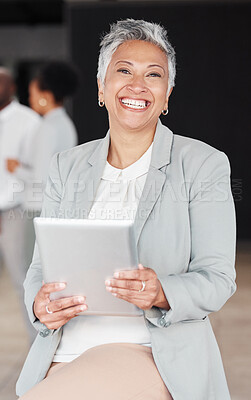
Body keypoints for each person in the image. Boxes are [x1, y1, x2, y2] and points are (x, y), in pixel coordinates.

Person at [16, 19, 236, 400]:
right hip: (62, 350)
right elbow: (39, 268)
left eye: (154, 74)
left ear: (166, 96)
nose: (138, 85)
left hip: (148, 351)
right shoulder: (65, 166)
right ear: (102, 88)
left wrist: (161, 290)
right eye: (124, 71)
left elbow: (218, 278)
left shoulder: (202, 164)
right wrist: (40, 306)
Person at [0, 67, 41, 342]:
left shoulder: (29, 121)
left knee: (22, 281)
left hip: (14, 211)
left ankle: (38, 346)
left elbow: (41, 167)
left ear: (12, 87)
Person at [25, 61, 79, 211]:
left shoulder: (47, 127)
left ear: (46, 96)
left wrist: (16, 169)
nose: (30, 100)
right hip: (56, 203)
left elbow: (40, 176)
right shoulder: (66, 124)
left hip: (39, 205)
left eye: (32, 94)